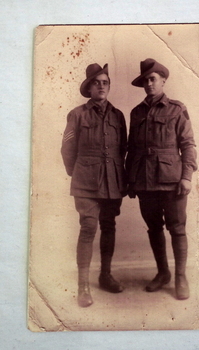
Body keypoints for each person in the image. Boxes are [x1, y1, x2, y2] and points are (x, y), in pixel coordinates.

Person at [126, 58, 197, 300]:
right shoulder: (136, 113)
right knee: (154, 228)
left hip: (171, 179)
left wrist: (186, 177)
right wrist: (130, 180)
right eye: (145, 80)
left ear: (163, 80)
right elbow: (131, 149)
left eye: (153, 79)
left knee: (177, 229)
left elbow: (188, 145)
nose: (149, 84)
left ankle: (180, 277)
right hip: (145, 181)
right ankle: (163, 272)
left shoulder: (176, 109)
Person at [61, 63, 127, 307]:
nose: (101, 86)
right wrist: (77, 172)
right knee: (88, 228)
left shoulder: (118, 116)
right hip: (86, 182)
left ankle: (105, 275)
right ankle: (83, 286)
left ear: (108, 86)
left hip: (112, 181)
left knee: (109, 226)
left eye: (105, 82)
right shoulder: (77, 114)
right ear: (88, 88)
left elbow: (123, 149)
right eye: (96, 82)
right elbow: (67, 148)